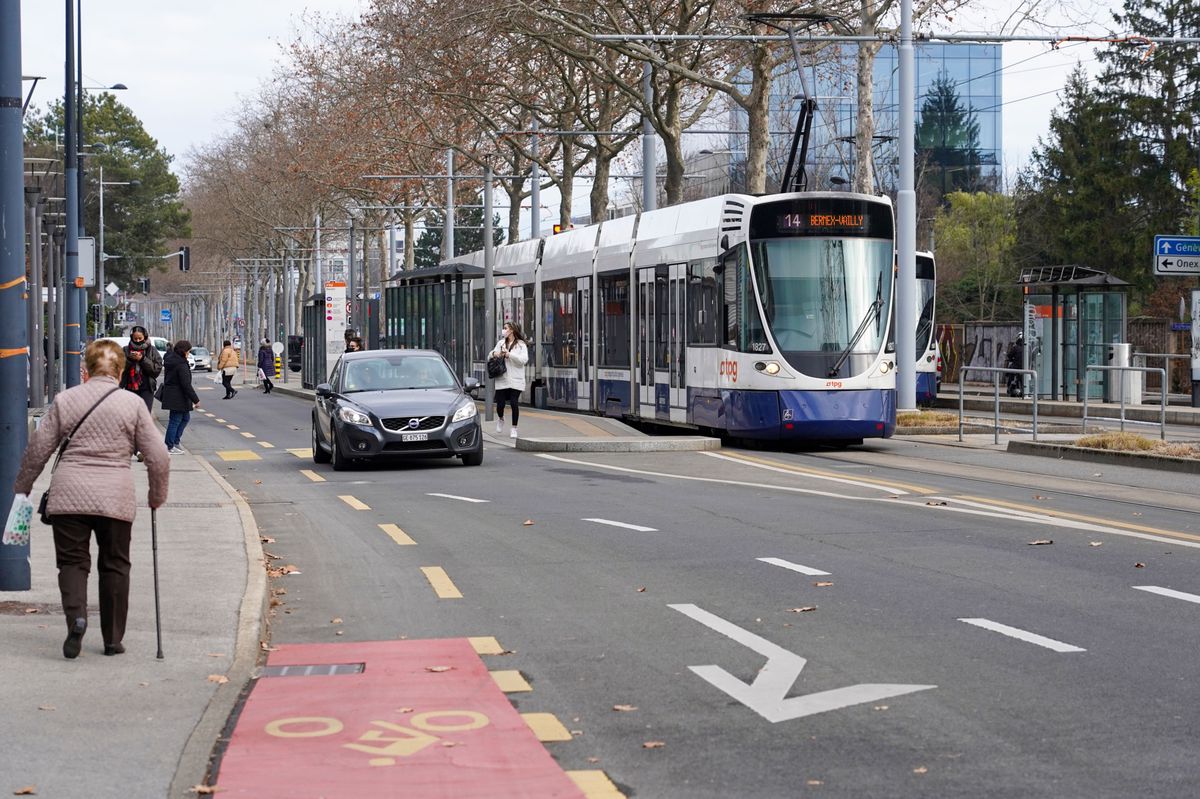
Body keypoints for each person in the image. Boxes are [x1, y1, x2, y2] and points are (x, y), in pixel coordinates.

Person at [14, 339, 170, 659]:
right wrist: (157, 496)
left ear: (86, 367)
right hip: (115, 496)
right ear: (120, 370)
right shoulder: (133, 404)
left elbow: (38, 449)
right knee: (115, 565)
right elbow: (159, 456)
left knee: (73, 562)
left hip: (68, 495)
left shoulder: (65, 400)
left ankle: (78, 618)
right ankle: (113, 639)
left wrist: (23, 487)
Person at [490, 321, 529, 439]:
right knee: (500, 404)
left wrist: (509, 355)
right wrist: (494, 354)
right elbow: (490, 355)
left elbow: (524, 360)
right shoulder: (501, 343)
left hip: (516, 380)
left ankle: (514, 428)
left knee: (514, 403)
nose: (504, 330)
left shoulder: (521, 345)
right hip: (502, 379)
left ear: (512, 330)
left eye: (505, 328)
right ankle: (501, 418)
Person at [161, 340, 200, 454]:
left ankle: (175, 442)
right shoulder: (180, 364)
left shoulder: (173, 360)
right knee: (175, 420)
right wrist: (196, 399)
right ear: (183, 351)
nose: (189, 353)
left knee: (184, 418)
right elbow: (186, 384)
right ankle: (169, 446)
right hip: (177, 396)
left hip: (176, 395)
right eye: (188, 351)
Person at [118, 326, 162, 413]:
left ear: (145, 337)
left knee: (145, 414)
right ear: (131, 338)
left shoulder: (152, 350)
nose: (138, 341)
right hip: (130, 388)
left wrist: (142, 359)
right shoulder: (125, 350)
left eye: (140, 338)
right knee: (131, 415)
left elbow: (156, 370)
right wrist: (130, 360)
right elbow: (120, 369)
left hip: (147, 388)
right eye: (135, 338)